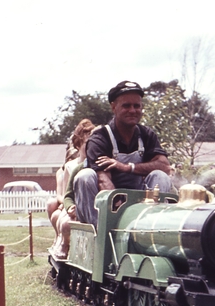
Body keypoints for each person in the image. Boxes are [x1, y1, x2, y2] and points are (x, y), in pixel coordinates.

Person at [72, 80, 172, 226]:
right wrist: (121, 213)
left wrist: (126, 167)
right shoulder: (100, 137)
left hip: (141, 202)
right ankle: (98, 236)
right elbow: (103, 179)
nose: (132, 110)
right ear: (114, 107)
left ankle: (152, 227)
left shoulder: (147, 135)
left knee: (160, 176)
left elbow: (165, 166)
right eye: (126, 106)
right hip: (107, 208)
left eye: (136, 106)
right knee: (85, 177)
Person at [47, 119, 97, 258]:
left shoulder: (98, 164)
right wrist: (69, 206)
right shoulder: (73, 167)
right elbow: (68, 194)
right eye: (87, 144)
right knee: (64, 221)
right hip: (75, 204)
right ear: (78, 145)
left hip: (90, 205)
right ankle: (63, 242)